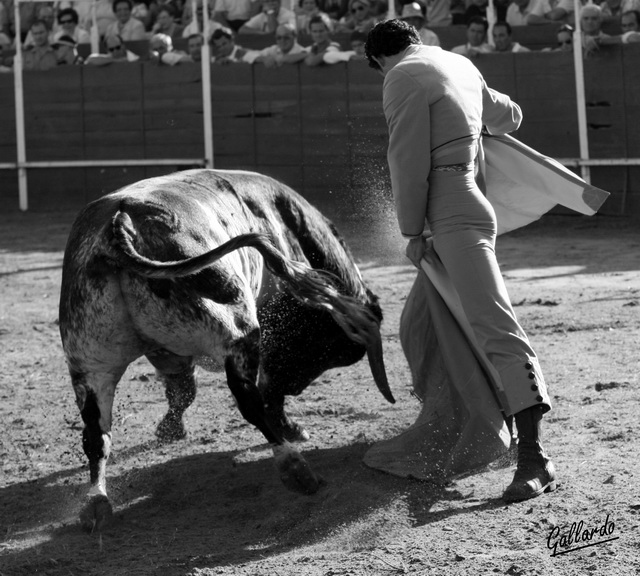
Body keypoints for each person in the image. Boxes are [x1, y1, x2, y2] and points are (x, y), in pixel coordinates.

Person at [363, 18, 556, 503]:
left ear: (380, 59)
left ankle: (534, 456)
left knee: (494, 325)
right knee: (419, 322)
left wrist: (410, 232)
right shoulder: (458, 63)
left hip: (449, 216)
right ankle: (466, 419)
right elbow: (509, 117)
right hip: (471, 202)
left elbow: (406, 160)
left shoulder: (401, 76)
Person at [244, 22, 308, 66]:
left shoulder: (301, 51)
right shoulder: (274, 49)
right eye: (279, 38)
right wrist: (263, 59)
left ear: (294, 37)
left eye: (286, 37)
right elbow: (247, 55)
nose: (282, 41)